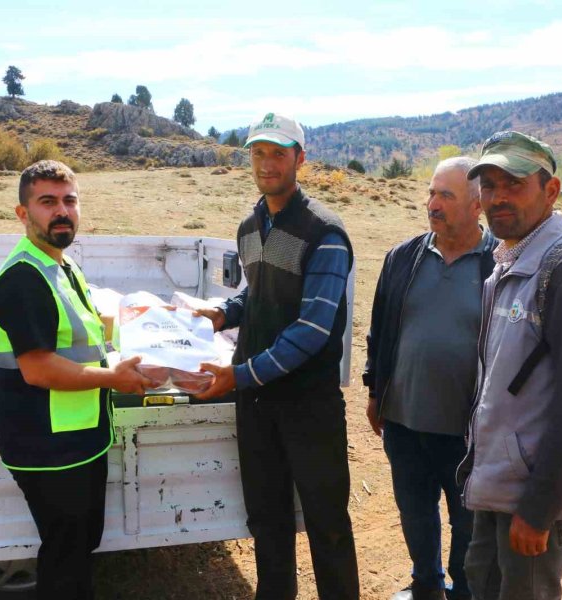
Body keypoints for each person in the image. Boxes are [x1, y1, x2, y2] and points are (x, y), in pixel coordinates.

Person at [195, 112, 359, 599]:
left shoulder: (324, 233)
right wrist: (222, 314)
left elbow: (311, 329)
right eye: (258, 152)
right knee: (267, 521)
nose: (267, 164)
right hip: (258, 405)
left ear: (299, 160)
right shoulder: (250, 225)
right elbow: (260, 294)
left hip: (307, 406)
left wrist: (240, 375)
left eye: (279, 154)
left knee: (327, 522)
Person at [458, 131, 562, 600]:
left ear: (550, 191)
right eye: (488, 185)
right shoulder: (509, 263)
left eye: (514, 183)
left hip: (533, 498)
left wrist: (539, 508)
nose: (497, 198)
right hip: (499, 485)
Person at [0, 160, 150, 599]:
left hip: (78, 440)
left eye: (69, 201)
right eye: (47, 202)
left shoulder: (63, 267)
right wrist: (113, 378)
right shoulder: (24, 278)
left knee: (78, 548)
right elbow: (37, 369)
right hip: (48, 447)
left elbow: (87, 336)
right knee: (65, 556)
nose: (62, 211)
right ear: (23, 213)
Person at [364, 156, 496, 600]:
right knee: (416, 514)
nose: (432, 204)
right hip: (402, 421)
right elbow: (379, 327)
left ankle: (462, 591)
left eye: (446, 195)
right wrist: (373, 389)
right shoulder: (403, 257)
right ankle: (426, 585)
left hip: (467, 432)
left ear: (477, 205)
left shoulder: (498, 263)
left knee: (467, 522)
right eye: (431, 193)